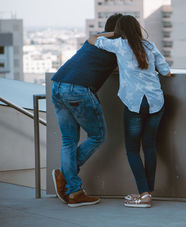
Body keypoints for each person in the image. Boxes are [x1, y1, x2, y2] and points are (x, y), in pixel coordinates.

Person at [88, 15, 171, 208]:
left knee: (132, 150)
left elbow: (92, 38)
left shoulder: (119, 44)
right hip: (156, 101)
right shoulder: (150, 46)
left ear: (120, 31)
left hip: (135, 103)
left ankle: (144, 195)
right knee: (149, 147)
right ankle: (147, 192)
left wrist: (115, 34)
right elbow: (166, 71)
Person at [51, 13, 122, 207]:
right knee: (97, 136)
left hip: (57, 84)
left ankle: (73, 190)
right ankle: (69, 180)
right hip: (78, 90)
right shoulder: (118, 46)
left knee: (68, 141)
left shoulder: (95, 40)